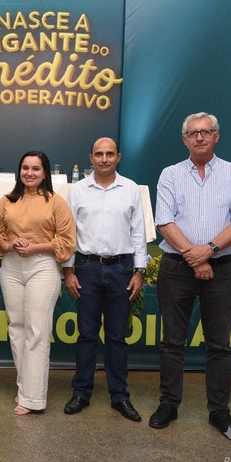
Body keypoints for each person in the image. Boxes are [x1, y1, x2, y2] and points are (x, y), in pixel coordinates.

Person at [150, 112, 231, 435]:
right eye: (193, 133)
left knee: (219, 345)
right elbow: (164, 221)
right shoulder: (170, 174)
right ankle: (169, 404)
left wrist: (208, 250)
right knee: (172, 342)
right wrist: (195, 259)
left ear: (216, 136)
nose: (199, 137)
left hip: (220, 269)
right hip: (176, 268)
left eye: (205, 132)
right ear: (184, 140)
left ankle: (219, 411)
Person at [61, 138, 147, 422]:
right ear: (91, 158)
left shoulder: (131, 188)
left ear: (118, 157)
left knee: (117, 336)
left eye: (110, 154)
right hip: (87, 268)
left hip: (122, 268)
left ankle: (119, 396)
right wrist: (68, 270)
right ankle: (81, 393)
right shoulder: (78, 190)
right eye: (99, 154)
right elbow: (69, 232)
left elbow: (138, 232)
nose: (104, 159)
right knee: (86, 334)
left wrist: (139, 271)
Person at [0, 150, 75, 415]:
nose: (29, 173)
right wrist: (10, 244)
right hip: (12, 266)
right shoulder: (6, 201)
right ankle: (26, 388)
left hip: (42, 266)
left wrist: (35, 247)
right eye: (25, 168)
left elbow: (67, 242)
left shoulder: (56, 202)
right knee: (16, 328)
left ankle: (33, 398)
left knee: (37, 331)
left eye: (36, 168)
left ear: (45, 172)